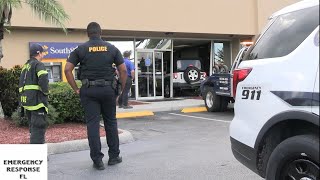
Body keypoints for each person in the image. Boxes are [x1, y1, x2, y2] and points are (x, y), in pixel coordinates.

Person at [64, 22, 127, 170]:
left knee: (92, 124)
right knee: (111, 123)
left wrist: (75, 89)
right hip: (108, 91)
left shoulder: (81, 49)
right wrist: (120, 91)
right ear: (100, 33)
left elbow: (67, 70)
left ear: (88, 34)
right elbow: (123, 71)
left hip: (89, 91)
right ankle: (113, 157)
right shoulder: (112, 48)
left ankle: (97, 160)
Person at [19, 44, 49, 144]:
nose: (43, 55)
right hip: (37, 103)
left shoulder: (25, 66)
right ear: (39, 53)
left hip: (27, 103)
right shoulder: (38, 65)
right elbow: (43, 79)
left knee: (33, 128)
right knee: (38, 130)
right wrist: (45, 92)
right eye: (42, 53)